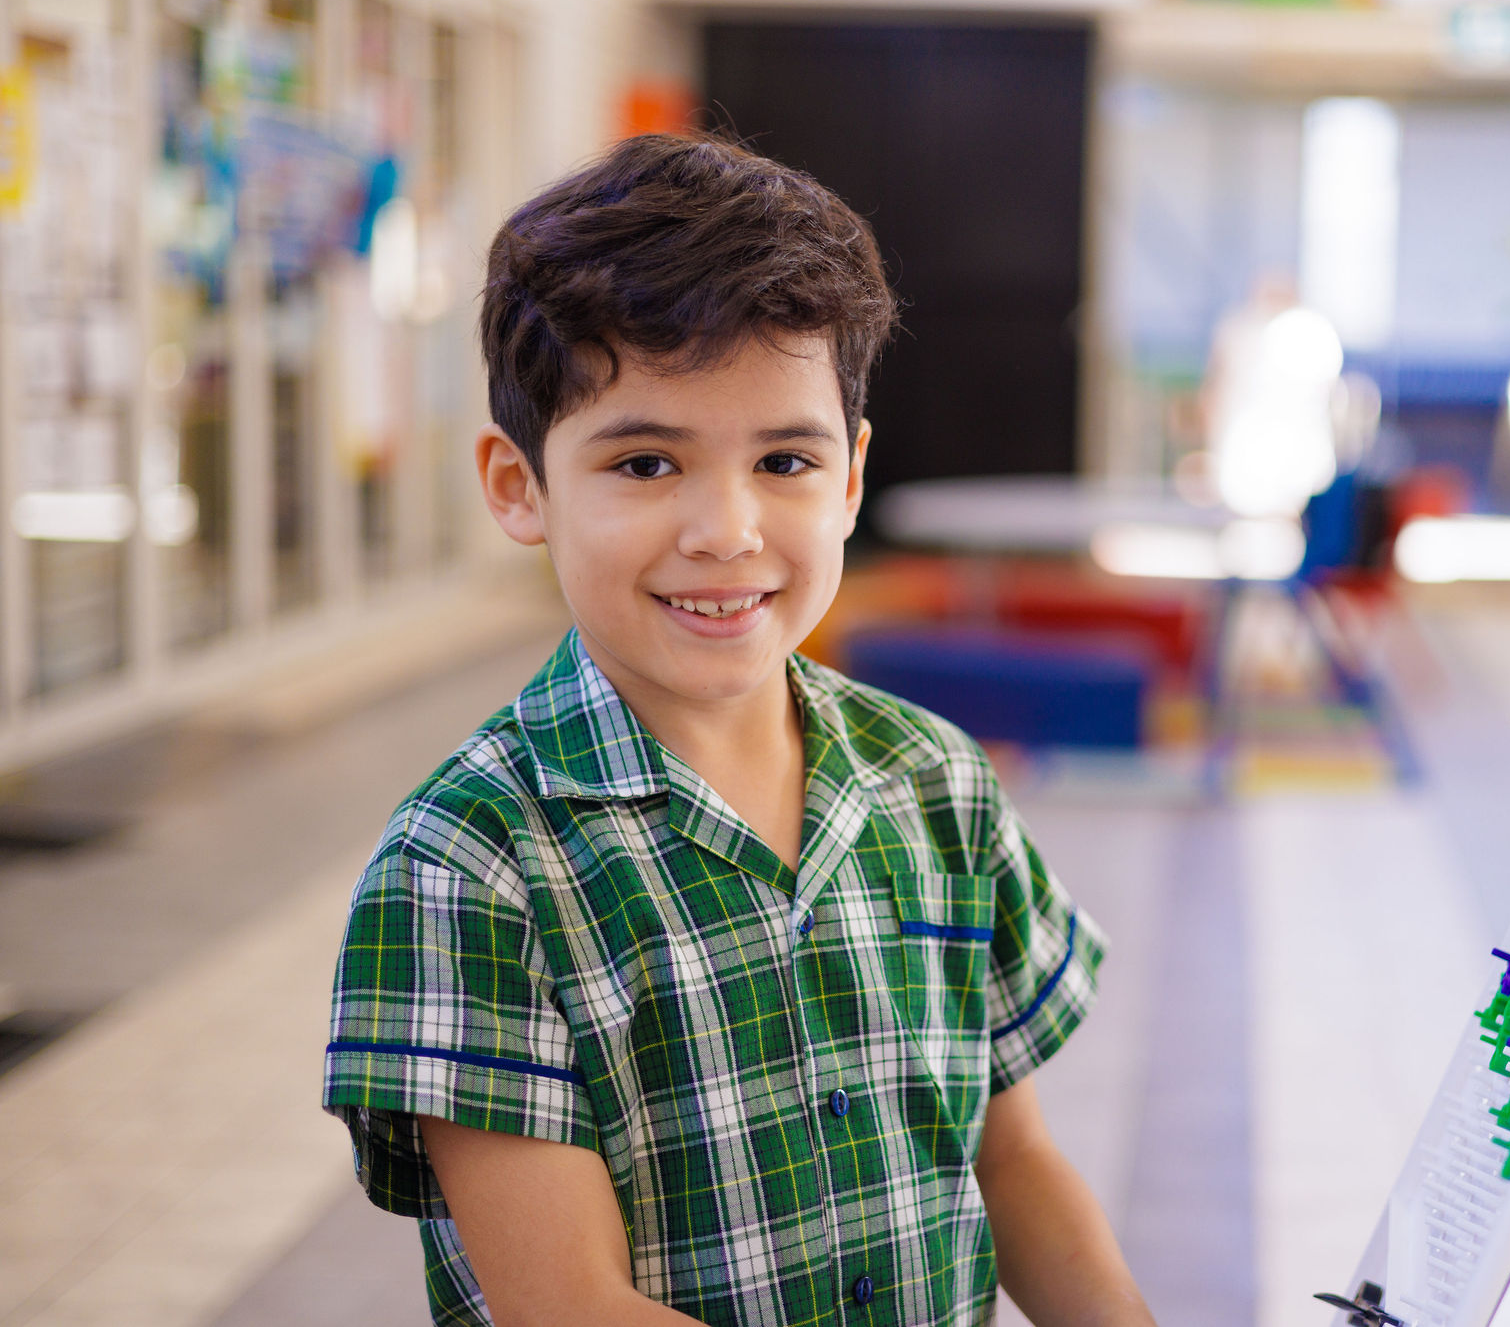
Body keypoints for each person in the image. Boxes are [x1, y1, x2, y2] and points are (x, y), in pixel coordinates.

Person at [321, 133, 1154, 1327]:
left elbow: (1009, 1159)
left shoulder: (935, 781)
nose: (727, 529)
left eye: (783, 459)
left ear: (852, 476)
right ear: (519, 485)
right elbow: (568, 1307)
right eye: (648, 460)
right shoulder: (467, 868)